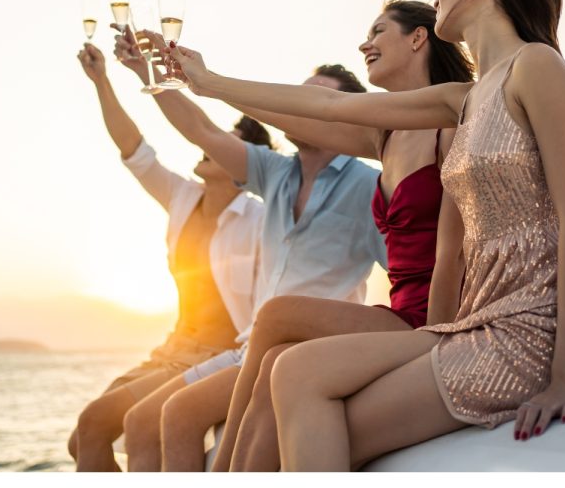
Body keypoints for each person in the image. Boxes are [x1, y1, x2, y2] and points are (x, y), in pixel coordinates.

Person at [167, 0, 565, 471]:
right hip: (477, 324)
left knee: (305, 391)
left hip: (536, 330)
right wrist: (208, 81)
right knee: (292, 369)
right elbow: (332, 108)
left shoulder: (536, 67)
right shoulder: (464, 98)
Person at [204, 0, 475, 472]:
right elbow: (302, 113)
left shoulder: (451, 121)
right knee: (275, 362)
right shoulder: (385, 134)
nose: (364, 43)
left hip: (431, 319)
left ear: (418, 38)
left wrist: (437, 337)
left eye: (378, 30)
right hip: (399, 310)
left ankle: (222, 474)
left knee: (276, 316)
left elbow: (454, 250)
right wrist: (207, 84)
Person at [112, 26, 388, 472]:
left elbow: (407, 271)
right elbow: (201, 129)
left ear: (344, 117)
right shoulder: (273, 171)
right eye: (295, 98)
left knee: (178, 414)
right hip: (250, 346)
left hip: (306, 351)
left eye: (315, 101)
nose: (295, 108)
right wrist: (145, 71)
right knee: (144, 420)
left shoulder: (369, 186)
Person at [67, 42, 272, 472]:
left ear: (241, 165)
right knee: (80, 439)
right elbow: (134, 149)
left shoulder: (258, 219)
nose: (207, 145)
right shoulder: (183, 198)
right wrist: (102, 80)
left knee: (94, 423)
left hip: (218, 354)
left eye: (225, 143)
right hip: (172, 348)